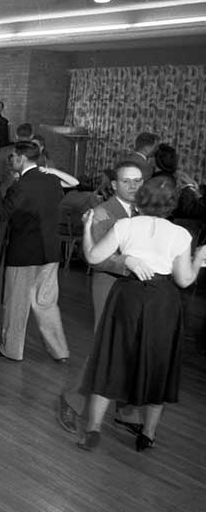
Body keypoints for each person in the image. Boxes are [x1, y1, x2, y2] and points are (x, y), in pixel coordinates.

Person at [76, 175, 206, 452]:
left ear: (142, 197)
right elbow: (184, 280)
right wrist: (199, 260)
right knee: (158, 363)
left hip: (128, 297)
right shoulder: (180, 235)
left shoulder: (126, 225)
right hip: (162, 302)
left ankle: (93, 430)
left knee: (112, 358)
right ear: (172, 203)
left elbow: (93, 257)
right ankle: (147, 434)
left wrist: (87, 227)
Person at [58, 161, 145, 434]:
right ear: (115, 185)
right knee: (104, 347)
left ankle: (125, 409)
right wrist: (129, 263)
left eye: (138, 180)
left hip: (138, 288)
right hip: (110, 284)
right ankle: (73, 402)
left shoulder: (144, 211)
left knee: (132, 346)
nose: (134, 186)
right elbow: (97, 258)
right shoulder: (103, 212)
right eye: (127, 181)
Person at [0, 141, 69, 363]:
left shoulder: (20, 186)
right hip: (50, 251)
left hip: (24, 253)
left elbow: (2, 213)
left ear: (22, 158)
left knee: (16, 304)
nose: (10, 160)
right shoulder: (51, 180)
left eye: (12, 156)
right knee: (46, 303)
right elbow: (72, 185)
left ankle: (12, 350)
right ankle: (60, 351)